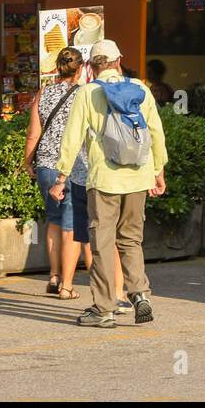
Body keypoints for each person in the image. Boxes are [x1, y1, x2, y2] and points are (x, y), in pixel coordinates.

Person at [55, 39, 166, 327]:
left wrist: (62, 175)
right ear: (119, 61)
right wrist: (158, 170)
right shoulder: (140, 88)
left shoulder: (87, 92)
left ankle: (103, 309)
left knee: (102, 244)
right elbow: (155, 131)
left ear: (91, 67)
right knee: (131, 240)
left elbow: (72, 137)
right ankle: (140, 293)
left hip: (104, 179)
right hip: (139, 176)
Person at [24, 47, 118, 306]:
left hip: (45, 165)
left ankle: (53, 277)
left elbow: (34, 133)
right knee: (71, 226)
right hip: (74, 166)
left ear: (58, 66)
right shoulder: (85, 94)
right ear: (81, 68)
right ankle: (67, 286)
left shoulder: (43, 93)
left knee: (53, 221)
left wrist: (28, 161)